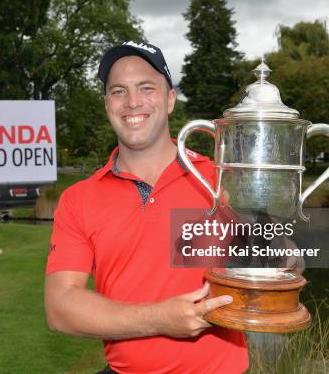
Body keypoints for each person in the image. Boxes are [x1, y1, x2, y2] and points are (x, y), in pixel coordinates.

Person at [44, 41, 248, 373]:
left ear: (169, 99)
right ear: (107, 103)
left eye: (146, 88)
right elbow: (60, 306)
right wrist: (160, 319)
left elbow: (276, 260)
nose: (133, 102)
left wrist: (285, 258)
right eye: (119, 91)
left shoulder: (220, 179)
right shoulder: (79, 199)